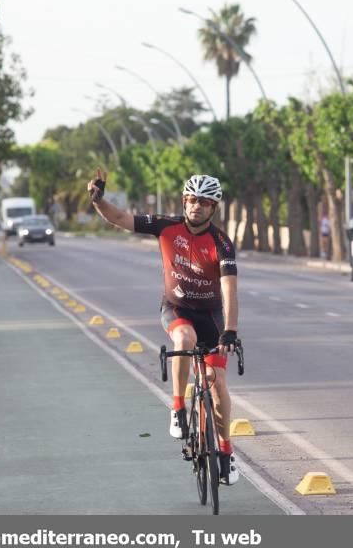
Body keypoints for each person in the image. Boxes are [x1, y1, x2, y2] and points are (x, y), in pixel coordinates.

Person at [87, 169, 240, 485]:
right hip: (177, 308)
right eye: (192, 200)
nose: (196, 206)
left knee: (218, 383)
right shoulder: (166, 226)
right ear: (184, 201)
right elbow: (120, 218)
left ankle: (226, 450)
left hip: (211, 316)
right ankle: (177, 409)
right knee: (184, 337)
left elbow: (229, 289)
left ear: (214, 208)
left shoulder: (221, 243)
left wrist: (231, 331)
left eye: (204, 202)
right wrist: (98, 199)